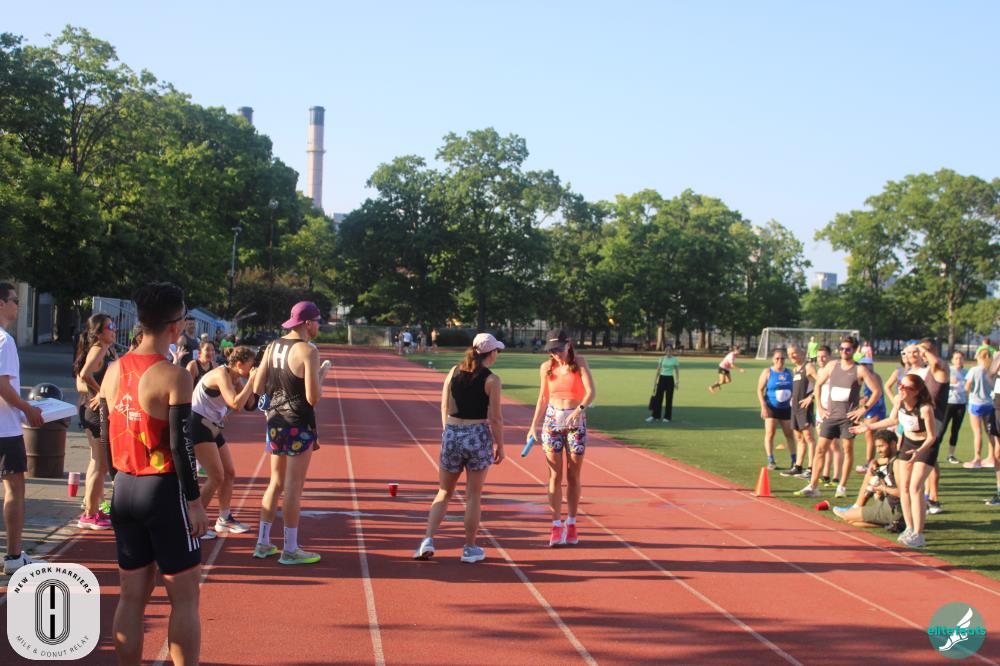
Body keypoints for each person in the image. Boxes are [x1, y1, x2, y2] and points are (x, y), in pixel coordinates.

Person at [98, 282, 208, 664]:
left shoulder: (113, 370)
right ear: (175, 326)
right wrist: (194, 502)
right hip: (162, 490)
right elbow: (181, 445)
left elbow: (102, 430)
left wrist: (115, 477)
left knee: (131, 596)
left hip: (124, 488)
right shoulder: (175, 376)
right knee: (185, 597)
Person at [251, 301, 332, 564]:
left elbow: (258, 386)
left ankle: (263, 543)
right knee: (293, 488)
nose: (319, 326)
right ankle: (290, 548)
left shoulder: (273, 346)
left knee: (275, 483)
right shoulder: (308, 351)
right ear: (308, 323)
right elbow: (313, 397)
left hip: (275, 422)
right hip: (298, 424)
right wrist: (322, 374)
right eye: (317, 321)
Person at [413, 333, 505, 563]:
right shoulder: (492, 380)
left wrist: (448, 433)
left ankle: (427, 539)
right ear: (491, 353)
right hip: (477, 435)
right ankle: (470, 548)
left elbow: (444, 406)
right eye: (497, 351)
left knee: (444, 491)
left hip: (452, 432)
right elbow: (495, 418)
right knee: (473, 495)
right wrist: (500, 446)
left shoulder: (453, 371)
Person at [852, 374, 937, 548]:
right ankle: (909, 528)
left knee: (915, 487)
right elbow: (893, 420)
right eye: (900, 385)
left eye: (906, 387)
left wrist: (919, 451)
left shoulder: (925, 409)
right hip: (907, 443)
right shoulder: (899, 400)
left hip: (925, 447)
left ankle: (919, 534)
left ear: (916, 391)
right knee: (904, 488)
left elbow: (932, 437)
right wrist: (868, 426)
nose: (901, 388)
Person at [528, 330, 596, 547]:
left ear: (569, 344)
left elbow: (591, 392)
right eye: (552, 350)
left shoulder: (580, 363)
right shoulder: (546, 367)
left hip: (576, 422)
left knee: (573, 475)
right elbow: (543, 398)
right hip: (552, 422)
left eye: (559, 349)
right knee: (554, 475)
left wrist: (579, 410)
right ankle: (556, 525)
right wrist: (533, 425)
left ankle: (572, 522)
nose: (556, 354)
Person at [795, 336, 881, 499]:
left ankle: (841, 486)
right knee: (820, 449)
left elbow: (877, 391)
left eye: (847, 349)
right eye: (841, 348)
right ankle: (813, 486)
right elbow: (818, 385)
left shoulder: (860, 370)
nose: (844, 351)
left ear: (854, 350)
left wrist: (863, 410)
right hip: (831, 416)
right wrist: (820, 407)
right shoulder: (832, 365)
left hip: (848, 417)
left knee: (847, 450)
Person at [0, 283, 45, 575]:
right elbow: (3, 384)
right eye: (15, 300)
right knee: (15, 488)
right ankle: (14, 555)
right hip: (5, 429)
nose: (19, 305)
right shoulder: (5, 341)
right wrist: (28, 409)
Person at [191, 346, 257, 540]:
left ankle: (224, 518)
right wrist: (251, 381)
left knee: (229, 473)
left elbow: (249, 404)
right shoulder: (221, 374)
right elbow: (235, 403)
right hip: (198, 424)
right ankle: (194, 522)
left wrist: (255, 381)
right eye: (251, 365)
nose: (253, 368)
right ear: (239, 364)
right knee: (216, 476)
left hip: (212, 425)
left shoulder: (235, 377)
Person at [72, 313, 118, 530]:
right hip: (95, 412)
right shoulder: (98, 348)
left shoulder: (106, 349)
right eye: (110, 326)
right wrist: (102, 393)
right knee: (100, 464)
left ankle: (93, 508)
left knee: (96, 462)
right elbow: (84, 374)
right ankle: (89, 514)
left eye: (114, 325)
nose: (114, 329)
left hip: (96, 411)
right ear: (99, 332)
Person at [832, 430, 903, 530]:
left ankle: (894, 522)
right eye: (877, 447)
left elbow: (902, 492)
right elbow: (878, 461)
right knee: (853, 522)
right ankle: (891, 524)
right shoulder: (892, 458)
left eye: (881, 446)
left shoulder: (898, 463)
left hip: (894, 509)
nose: (878, 451)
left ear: (893, 444)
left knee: (847, 515)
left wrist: (882, 488)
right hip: (888, 504)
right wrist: (874, 463)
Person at [756, 348, 796, 471]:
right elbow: (759, 390)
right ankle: (771, 460)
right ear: (773, 359)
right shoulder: (768, 372)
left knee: (789, 434)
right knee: (770, 433)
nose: (780, 360)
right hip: (771, 408)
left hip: (786, 408)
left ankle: (794, 461)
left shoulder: (790, 372)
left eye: (782, 358)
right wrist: (763, 406)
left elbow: (795, 389)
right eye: (777, 358)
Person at [781, 343, 815, 479]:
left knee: (809, 438)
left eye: (794, 353)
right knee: (799, 438)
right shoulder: (795, 370)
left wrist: (811, 397)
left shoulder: (808, 367)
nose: (792, 356)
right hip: (795, 409)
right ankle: (798, 467)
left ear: (802, 353)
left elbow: (821, 383)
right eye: (789, 354)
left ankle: (811, 469)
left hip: (804, 409)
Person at [963, 348, 996, 469]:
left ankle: (977, 459)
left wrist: (967, 396)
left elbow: (967, 386)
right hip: (989, 403)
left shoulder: (974, 370)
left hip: (976, 403)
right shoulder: (991, 370)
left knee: (977, 432)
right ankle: (992, 457)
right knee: (990, 432)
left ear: (978, 357)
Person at [855, 357, 886, 474]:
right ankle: (873, 462)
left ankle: (870, 463)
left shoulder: (873, 376)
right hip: (872, 408)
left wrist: (864, 400)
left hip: (875, 408)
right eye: (861, 364)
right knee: (871, 436)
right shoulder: (869, 376)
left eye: (865, 364)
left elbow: (877, 393)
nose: (863, 367)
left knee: (870, 435)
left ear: (870, 365)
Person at [943, 351, 968, 465]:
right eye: (956, 358)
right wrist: (949, 382)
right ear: (952, 360)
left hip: (961, 404)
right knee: (942, 429)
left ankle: (951, 455)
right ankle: (933, 453)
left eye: (960, 358)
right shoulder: (948, 371)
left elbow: (968, 386)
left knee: (955, 430)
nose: (958, 360)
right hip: (948, 403)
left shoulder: (966, 372)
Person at [647, 344, 679, 423]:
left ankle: (667, 417)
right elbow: (658, 370)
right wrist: (655, 381)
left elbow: (677, 371)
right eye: (666, 350)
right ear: (665, 351)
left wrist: (677, 382)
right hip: (662, 379)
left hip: (670, 379)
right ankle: (655, 416)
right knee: (658, 398)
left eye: (670, 350)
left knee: (669, 399)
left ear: (672, 351)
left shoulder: (675, 359)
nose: (668, 351)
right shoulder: (661, 359)